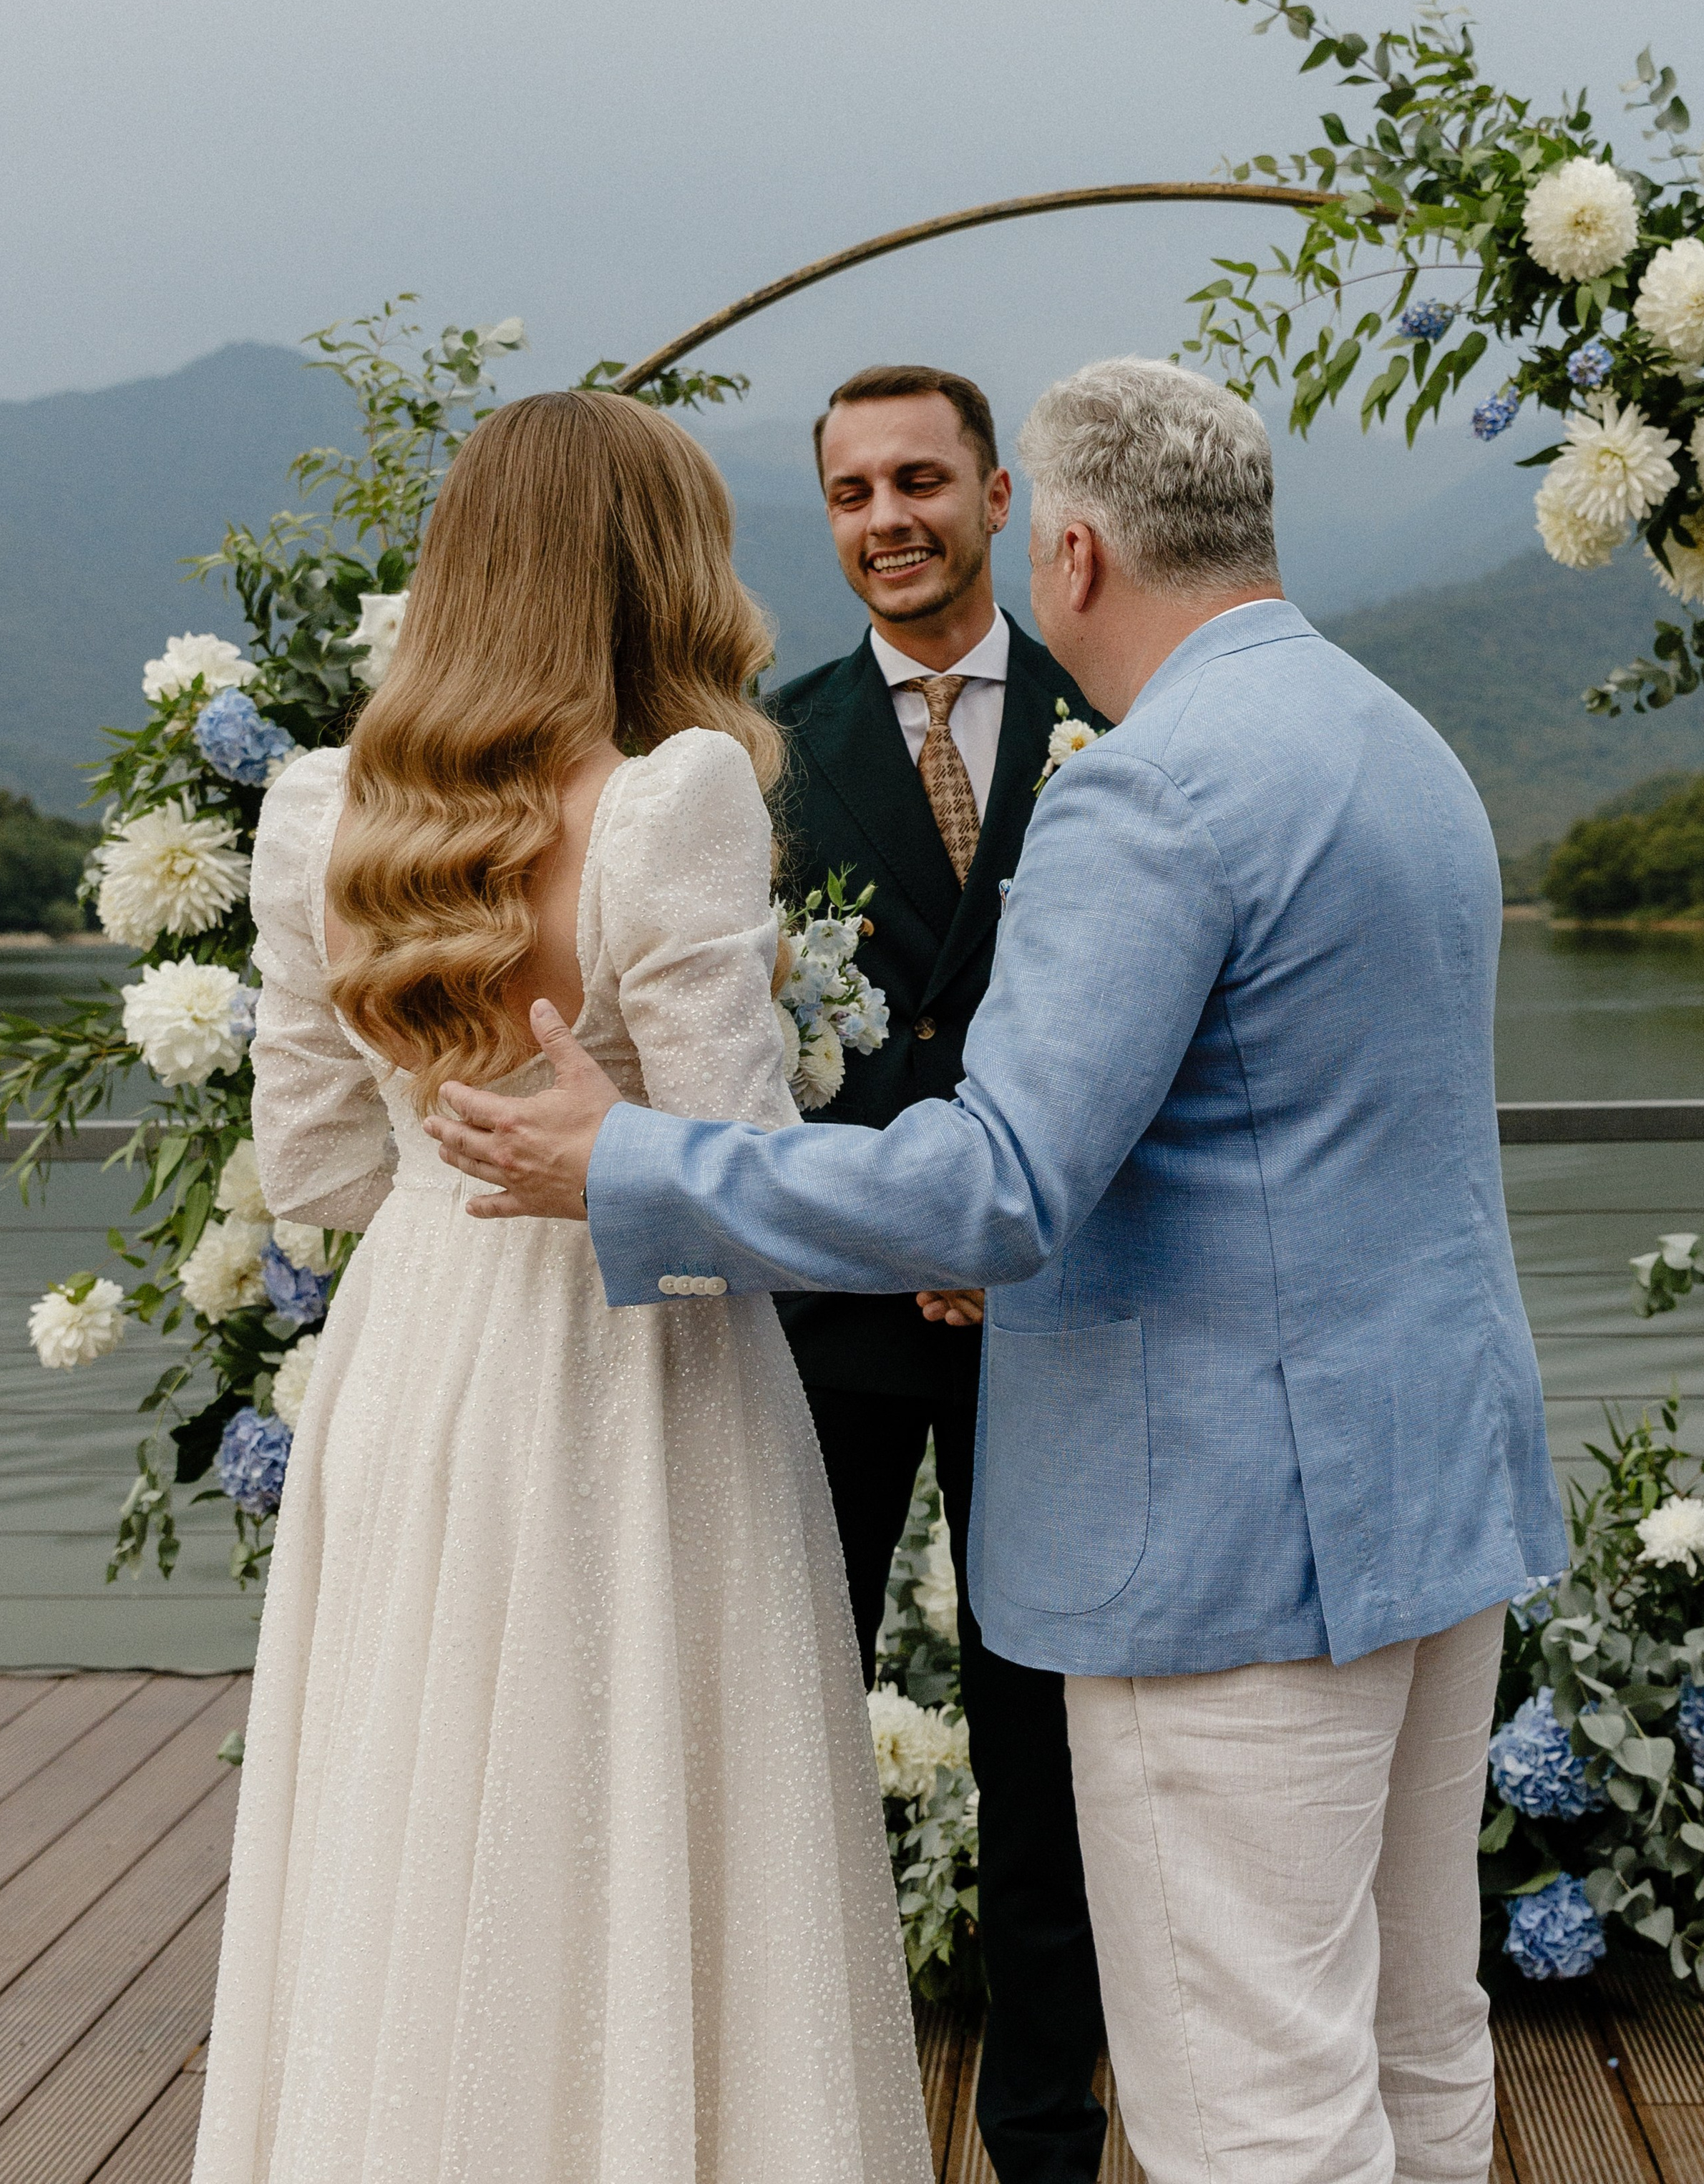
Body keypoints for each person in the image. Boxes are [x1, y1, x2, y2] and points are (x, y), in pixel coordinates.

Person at [427, 357, 1569, 2184]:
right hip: (1434, 1498)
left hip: (1227, 1554)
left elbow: (1000, 1185)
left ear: (1074, 549)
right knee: (1411, 2045)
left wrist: (627, 1163)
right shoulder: (1393, 741)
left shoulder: (1152, 790)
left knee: (1254, 2111)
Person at [191, 390, 932, 2184]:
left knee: (415, 1806)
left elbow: (319, 1177)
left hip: (413, 1347)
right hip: (633, 1358)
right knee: (638, 1798)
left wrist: (450, 1134)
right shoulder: (674, 800)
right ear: (657, 565)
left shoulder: (316, 817)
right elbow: (739, 1188)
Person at [771, 363, 1107, 2184]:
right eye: (851, 492)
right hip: (826, 1319)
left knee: (1039, 1745)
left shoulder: (1106, 715)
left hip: (1053, 1313)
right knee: (783, 1718)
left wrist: (1001, 1222)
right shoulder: (765, 747)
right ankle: (792, 2118)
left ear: (995, 495)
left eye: (917, 479)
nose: (885, 518)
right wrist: (909, 1221)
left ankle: (1043, 2139)